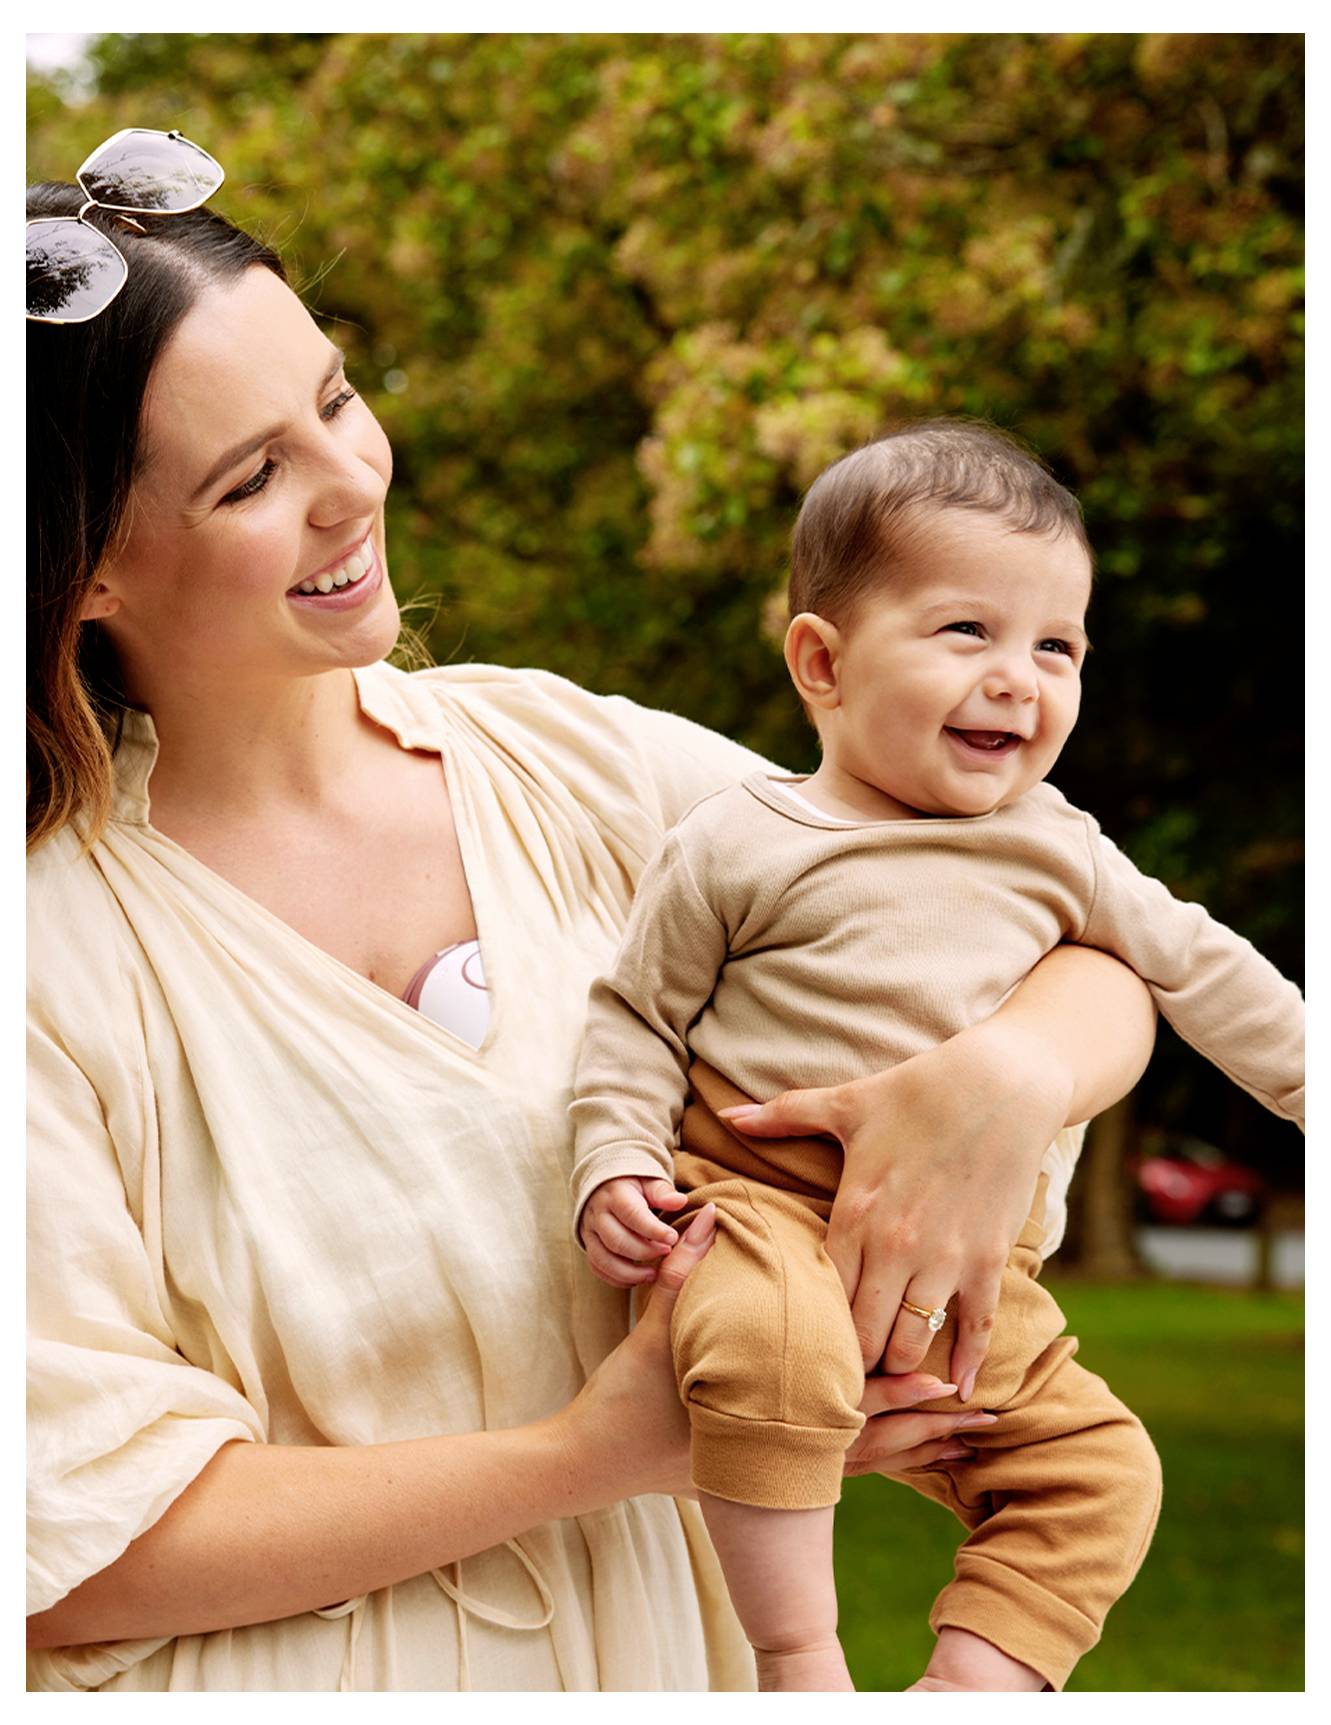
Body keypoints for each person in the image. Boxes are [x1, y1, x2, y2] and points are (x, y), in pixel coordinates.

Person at [26, 134, 1159, 1693]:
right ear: (83, 569)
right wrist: (603, 1448)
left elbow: (1064, 926)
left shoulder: (568, 762)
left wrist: (1008, 1077)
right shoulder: (49, 952)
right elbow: (61, 1552)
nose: (350, 485)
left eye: (340, 400)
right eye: (250, 478)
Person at [571, 422, 1305, 1693]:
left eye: (1055, 646)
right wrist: (612, 1161)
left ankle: (968, 1690)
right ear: (823, 662)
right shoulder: (741, 841)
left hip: (969, 1277)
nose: (1019, 679)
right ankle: (799, 1663)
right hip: (761, 1219)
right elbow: (635, 1018)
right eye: (966, 632)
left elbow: (1199, 970)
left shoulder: (1057, 847)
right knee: (770, 1358)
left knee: (1098, 1472)